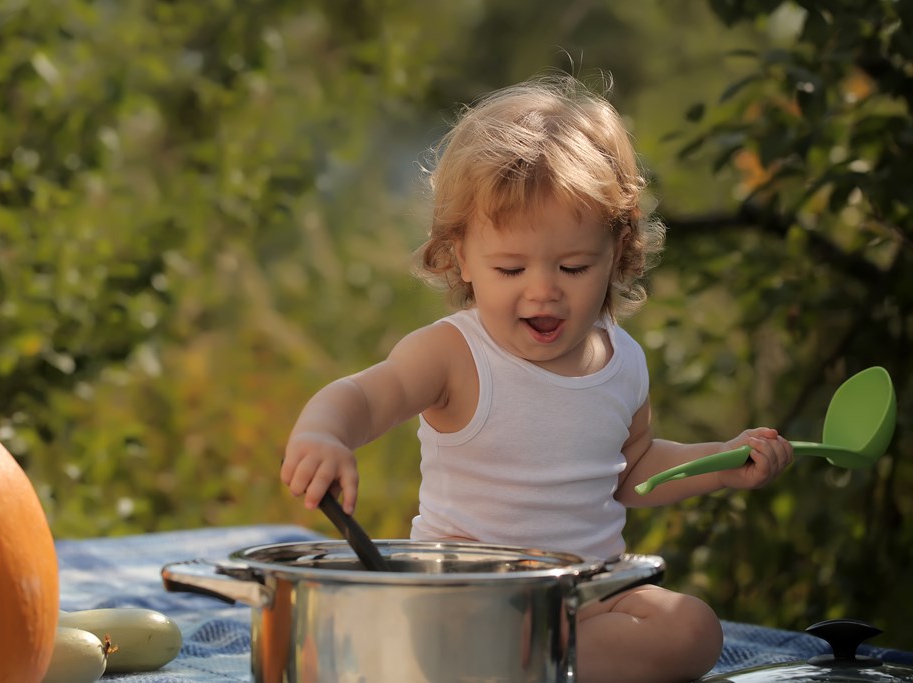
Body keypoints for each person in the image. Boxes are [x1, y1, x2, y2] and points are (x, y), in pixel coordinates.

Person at [280, 72, 794, 683]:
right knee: (442, 635)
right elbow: (365, 396)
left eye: (574, 266)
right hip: (470, 600)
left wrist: (720, 461)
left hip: (587, 596)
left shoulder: (622, 361)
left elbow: (633, 472)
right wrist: (324, 435)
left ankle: (520, 668)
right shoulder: (453, 355)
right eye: (511, 266)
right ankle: (514, 664)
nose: (544, 290)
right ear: (460, 257)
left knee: (693, 628)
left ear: (616, 253)